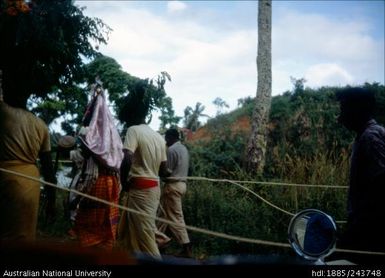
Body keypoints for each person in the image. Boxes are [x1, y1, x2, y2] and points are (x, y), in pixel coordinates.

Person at [0, 69, 57, 241]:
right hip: (30, 184)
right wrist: (51, 204)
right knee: (22, 237)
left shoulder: (3, 112)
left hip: (5, 179)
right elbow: (48, 169)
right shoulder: (40, 124)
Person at [117, 83, 170, 258]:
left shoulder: (133, 131)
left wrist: (123, 183)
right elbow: (164, 170)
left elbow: (126, 159)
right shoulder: (159, 137)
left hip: (139, 189)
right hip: (154, 188)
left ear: (131, 115)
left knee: (145, 236)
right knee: (130, 232)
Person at [70, 79, 123, 250]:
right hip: (112, 184)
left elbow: (85, 164)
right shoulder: (113, 136)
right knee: (105, 225)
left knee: (90, 225)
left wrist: (76, 197)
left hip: (96, 183)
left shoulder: (89, 136)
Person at [336, 87, 385, 260]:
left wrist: (359, 226)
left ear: (358, 111)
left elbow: (381, 182)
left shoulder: (370, 137)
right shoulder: (368, 134)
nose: (340, 118)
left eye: (344, 110)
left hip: (369, 229)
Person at [156, 128, 192, 257]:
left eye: (166, 138)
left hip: (172, 186)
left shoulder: (171, 150)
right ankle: (159, 244)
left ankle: (186, 246)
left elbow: (167, 172)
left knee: (176, 217)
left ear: (171, 137)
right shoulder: (183, 149)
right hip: (182, 185)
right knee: (163, 216)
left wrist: (158, 170)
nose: (165, 141)